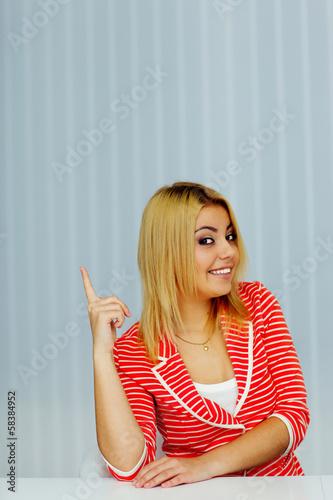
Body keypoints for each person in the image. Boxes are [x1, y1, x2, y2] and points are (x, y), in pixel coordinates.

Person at [80, 181, 310, 489]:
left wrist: (205, 465)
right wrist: (102, 355)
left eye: (229, 236)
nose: (229, 251)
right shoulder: (135, 349)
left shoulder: (259, 305)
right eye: (206, 241)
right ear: (166, 252)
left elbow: (293, 417)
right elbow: (128, 465)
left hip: (281, 491)